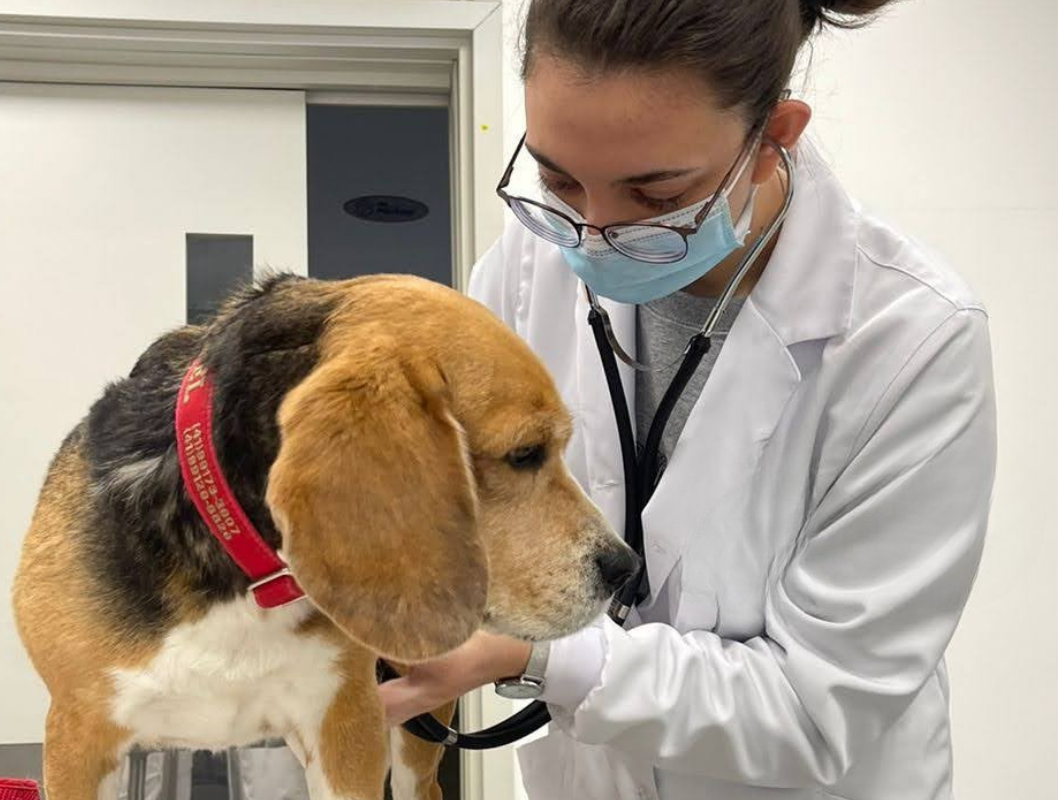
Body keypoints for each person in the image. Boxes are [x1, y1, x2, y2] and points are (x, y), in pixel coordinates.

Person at [378, 0, 997, 797]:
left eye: (657, 195)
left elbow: (817, 710)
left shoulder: (912, 339)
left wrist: (536, 655)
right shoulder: (526, 264)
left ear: (775, 139)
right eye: (559, 179)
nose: (592, 233)